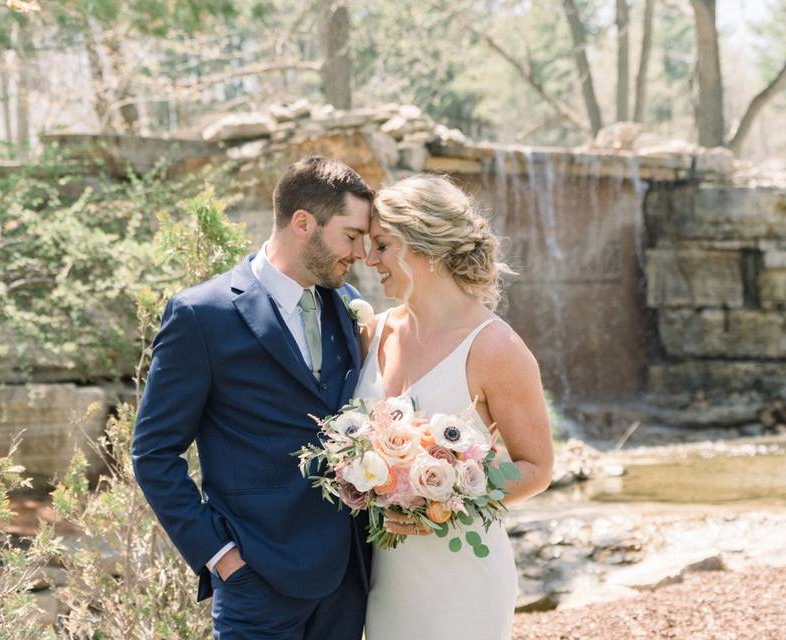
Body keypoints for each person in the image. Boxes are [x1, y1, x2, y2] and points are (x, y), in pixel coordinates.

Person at [132, 156, 374, 640]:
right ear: (303, 223)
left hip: (349, 577)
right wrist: (221, 559)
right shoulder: (202, 315)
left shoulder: (347, 305)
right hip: (257, 582)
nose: (362, 253)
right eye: (351, 236)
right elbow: (153, 453)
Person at [355, 174, 554, 640]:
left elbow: (536, 466)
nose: (369, 259)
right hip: (382, 574)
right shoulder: (372, 333)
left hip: (463, 577)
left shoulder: (496, 348)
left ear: (421, 245)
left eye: (382, 245)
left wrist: (448, 502)